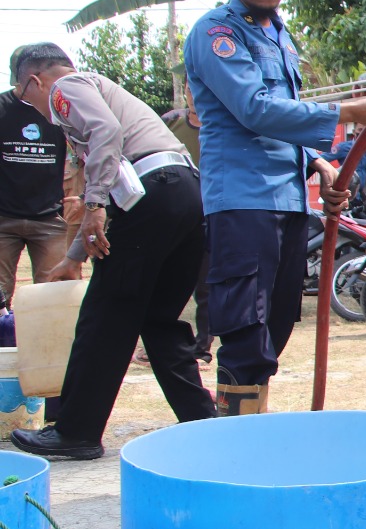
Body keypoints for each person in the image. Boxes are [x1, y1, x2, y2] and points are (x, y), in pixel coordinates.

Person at [186, 0, 366, 415]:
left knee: (279, 322)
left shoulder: (278, 34)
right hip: (242, 199)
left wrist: (319, 164)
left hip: (284, 197)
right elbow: (255, 109)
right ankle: (236, 438)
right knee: (245, 329)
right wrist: (349, 112)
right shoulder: (218, 33)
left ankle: (247, 422)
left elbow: (283, 116)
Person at [8, 45, 215, 459]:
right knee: (160, 319)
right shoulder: (100, 90)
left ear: (33, 81)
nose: (33, 108)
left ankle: (77, 431)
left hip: (152, 193)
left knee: (104, 315)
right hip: (184, 193)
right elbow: (107, 173)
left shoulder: (65, 88)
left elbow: (106, 136)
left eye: (24, 95)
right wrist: (72, 257)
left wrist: (96, 205)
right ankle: (202, 420)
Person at [0, 48, 70, 305]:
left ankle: (47, 346)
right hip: (3, 219)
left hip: (49, 219)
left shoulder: (60, 109)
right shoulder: (2, 108)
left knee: (52, 296)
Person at [162, 85, 211, 364]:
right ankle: (164, 342)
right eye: (190, 91)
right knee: (168, 281)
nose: (195, 96)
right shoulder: (171, 122)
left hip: (209, 213)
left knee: (205, 286)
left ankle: (203, 346)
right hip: (175, 213)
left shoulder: (220, 126)